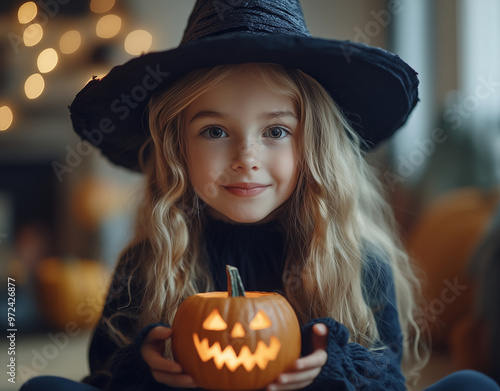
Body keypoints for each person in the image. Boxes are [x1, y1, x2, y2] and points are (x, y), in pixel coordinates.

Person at [21, 1, 500, 390]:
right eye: (213, 130)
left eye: (275, 129)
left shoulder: (357, 260)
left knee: (472, 387)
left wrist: (329, 367)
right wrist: (144, 367)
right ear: (177, 149)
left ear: (312, 144)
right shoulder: (147, 262)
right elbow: (101, 377)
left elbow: (388, 381)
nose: (245, 156)